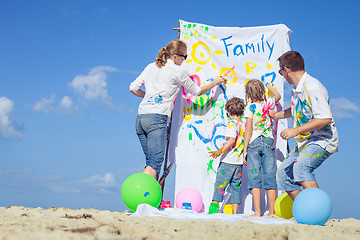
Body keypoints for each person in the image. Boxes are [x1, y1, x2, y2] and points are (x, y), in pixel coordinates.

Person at [129, 39, 226, 180]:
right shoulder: (178, 71)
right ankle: (141, 198)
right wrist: (216, 82)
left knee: (151, 163)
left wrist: (148, 97)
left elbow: (132, 88)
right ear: (175, 56)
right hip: (157, 118)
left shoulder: (151, 67)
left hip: (141, 118)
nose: (185, 60)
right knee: (154, 163)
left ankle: (148, 200)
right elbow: (198, 91)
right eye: (184, 57)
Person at [273, 51, 339, 201]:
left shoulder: (312, 87)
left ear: (286, 70)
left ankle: (317, 210)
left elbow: (325, 118)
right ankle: (305, 210)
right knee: (283, 174)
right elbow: (299, 109)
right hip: (306, 141)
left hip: (323, 140)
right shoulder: (297, 89)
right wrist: (277, 115)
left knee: (301, 168)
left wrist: (295, 130)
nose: (282, 74)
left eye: (280, 71)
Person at [243, 79, 281, 217]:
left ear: (248, 93)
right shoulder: (269, 102)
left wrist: (245, 149)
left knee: (255, 178)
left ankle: (258, 212)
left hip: (253, 143)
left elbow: (248, 130)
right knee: (270, 176)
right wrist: (270, 87)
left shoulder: (249, 107)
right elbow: (278, 96)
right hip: (269, 141)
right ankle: (272, 211)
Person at [208, 97, 246, 214]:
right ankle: (235, 213)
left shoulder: (231, 123)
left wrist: (220, 151)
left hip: (228, 161)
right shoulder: (244, 125)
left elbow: (232, 139)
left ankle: (213, 210)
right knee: (236, 188)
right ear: (242, 112)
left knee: (219, 186)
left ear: (228, 112)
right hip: (239, 163)